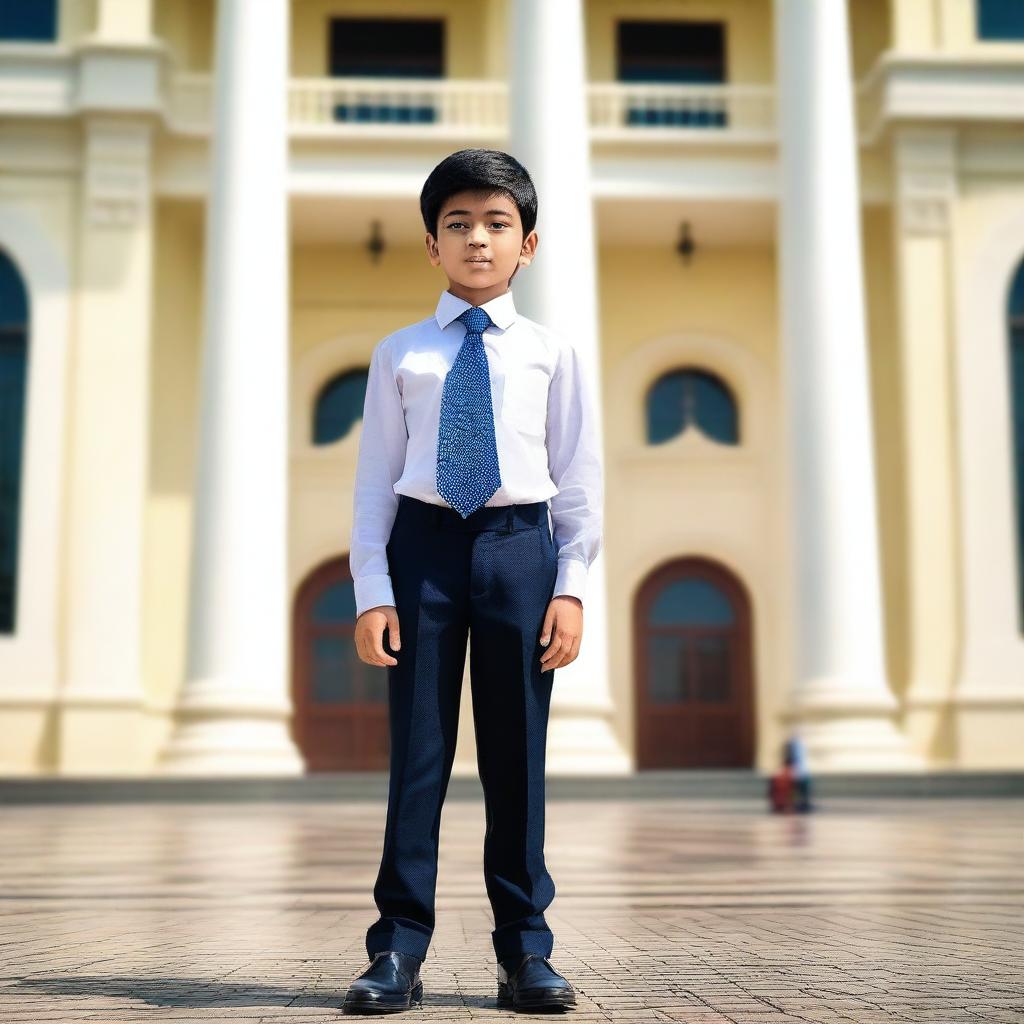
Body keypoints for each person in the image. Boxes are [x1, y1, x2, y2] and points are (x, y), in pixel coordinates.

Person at [342, 148, 602, 1014]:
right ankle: (397, 950)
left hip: (518, 550)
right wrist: (373, 590)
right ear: (432, 246)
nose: (477, 240)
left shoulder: (551, 354)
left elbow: (579, 479)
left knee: (516, 758)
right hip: (424, 551)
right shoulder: (400, 356)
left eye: (497, 224)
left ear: (528, 244)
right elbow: (377, 480)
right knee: (418, 757)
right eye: (458, 225)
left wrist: (569, 585)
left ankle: (526, 951)